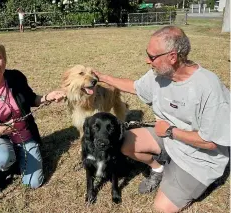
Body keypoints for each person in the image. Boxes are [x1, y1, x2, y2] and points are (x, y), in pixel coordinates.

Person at [93, 26, 230, 213]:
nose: (147, 61)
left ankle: (202, 182)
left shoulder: (208, 88)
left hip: (199, 158)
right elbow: (135, 87)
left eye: (151, 57)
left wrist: (170, 131)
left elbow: (211, 142)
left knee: (162, 207)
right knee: (124, 142)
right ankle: (159, 169)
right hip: (169, 139)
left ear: (172, 57)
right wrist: (103, 77)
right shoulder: (159, 75)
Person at [0, 40, 66, 193]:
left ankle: (13, 161)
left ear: (5, 60)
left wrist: (48, 97)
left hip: (24, 135)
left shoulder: (16, 78)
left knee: (33, 183)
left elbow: (31, 99)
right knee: (3, 157)